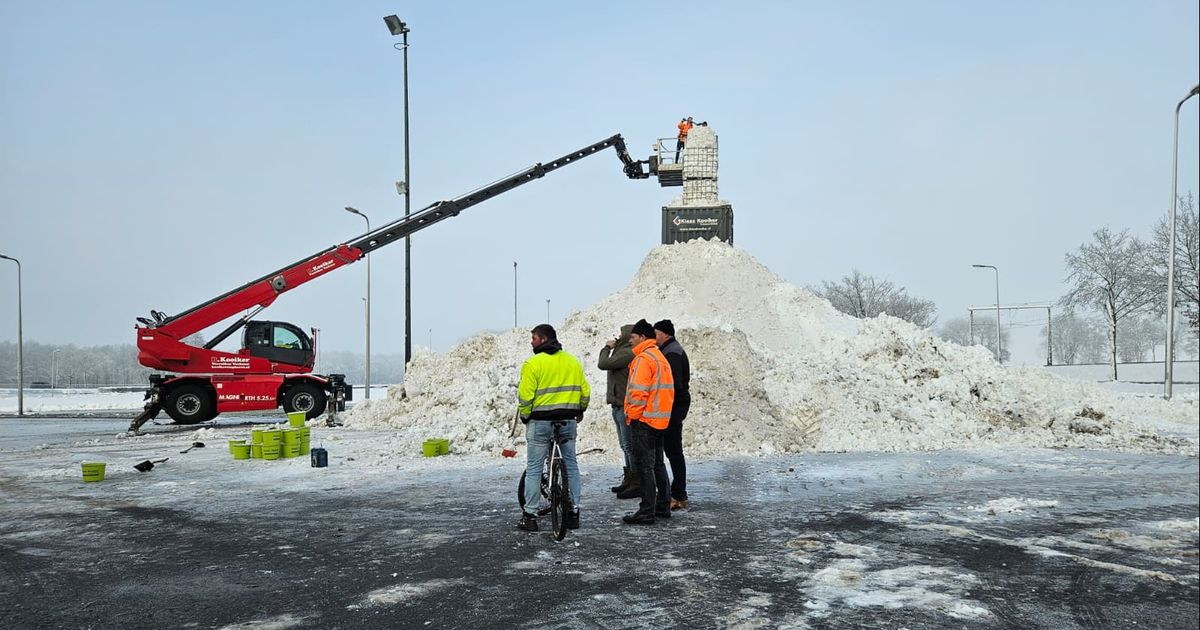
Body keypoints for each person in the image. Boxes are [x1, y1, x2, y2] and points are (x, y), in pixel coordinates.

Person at [516, 324, 590, 532]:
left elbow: (525, 396)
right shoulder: (572, 361)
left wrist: (525, 415)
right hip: (567, 420)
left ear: (543, 339)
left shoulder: (533, 363)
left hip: (540, 422)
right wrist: (580, 409)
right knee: (571, 465)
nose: (531, 342)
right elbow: (585, 391)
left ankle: (530, 516)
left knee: (534, 469)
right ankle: (573, 513)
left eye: (534, 338)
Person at [622, 319, 675, 525]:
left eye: (633, 337)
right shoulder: (659, 357)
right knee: (658, 464)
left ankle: (646, 511)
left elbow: (638, 392)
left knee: (645, 467)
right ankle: (663, 506)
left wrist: (633, 415)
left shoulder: (644, 359)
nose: (630, 341)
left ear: (643, 337)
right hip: (660, 420)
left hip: (644, 420)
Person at [597, 324, 638, 499]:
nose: (618, 337)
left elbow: (603, 363)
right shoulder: (621, 352)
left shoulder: (627, 353)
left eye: (621, 334)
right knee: (624, 445)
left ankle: (636, 482)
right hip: (617, 405)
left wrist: (606, 347)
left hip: (624, 406)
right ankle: (629, 479)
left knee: (629, 446)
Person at [655, 319, 690, 510]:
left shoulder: (672, 353)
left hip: (673, 408)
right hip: (674, 407)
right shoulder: (669, 350)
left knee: (674, 451)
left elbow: (674, 385)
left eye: (656, 333)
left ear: (665, 334)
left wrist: (668, 407)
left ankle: (678, 494)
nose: (654, 337)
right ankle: (677, 493)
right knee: (672, 451)